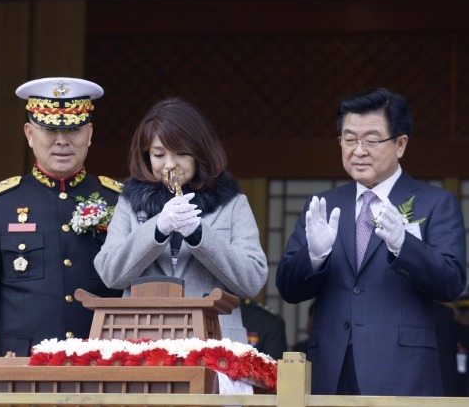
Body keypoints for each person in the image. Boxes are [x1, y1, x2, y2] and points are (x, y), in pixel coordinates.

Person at [276, 87, 466, 396]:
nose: (358, 150)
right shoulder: (322, 205)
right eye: (349, 139)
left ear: (400, 144)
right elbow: (287, 288)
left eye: (372, 140)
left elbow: (451, 283)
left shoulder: (435, 202)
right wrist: (315, 256)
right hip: (331, 370)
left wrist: (403, 245)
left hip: (403, 371)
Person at [0, 77, 123, 357]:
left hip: (105, 358)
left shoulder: (119, 201)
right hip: (22, 362)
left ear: (90, 133)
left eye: (74, 129)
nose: (62, 140)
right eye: (48, 129)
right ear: (29, 133)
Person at [94, 97, 268, 343]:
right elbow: (110, 274)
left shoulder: (233, 204)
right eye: (158, 154)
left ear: (200, 153)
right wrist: (157, 229)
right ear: (146, 157)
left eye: (181, 154)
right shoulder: (130, 203)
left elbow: (252, 281)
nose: (170, 165)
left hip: (214, 341)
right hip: (142, 339)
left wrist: (199, 234)